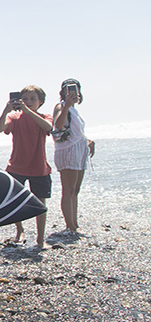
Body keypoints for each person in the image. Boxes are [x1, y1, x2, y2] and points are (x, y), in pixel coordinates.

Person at [0, 85, 53, 249]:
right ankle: (19, 230)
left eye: (32, 99)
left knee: (41, 204)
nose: (28, 102)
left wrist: (28, 112)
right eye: (25, 99)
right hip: (17, 166)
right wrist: (6, 110)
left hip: (39, 167)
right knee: (14, 201)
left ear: (40, 102)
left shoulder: (45, 116)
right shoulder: (14, 117)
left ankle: (40, 239)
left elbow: (48, 128)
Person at [52, 79, 94, 235]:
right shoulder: (61, 107)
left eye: (75, 89)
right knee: (68, 189)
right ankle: (70, 226)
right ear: (62, 92)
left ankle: (74, 223)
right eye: (68, 90)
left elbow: (76, 132)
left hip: (78, 150)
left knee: (75, 189)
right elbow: (58, 125)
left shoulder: (75, 111)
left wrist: (88, 141)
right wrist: (67, 106)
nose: (71, 92)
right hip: (67, 150)